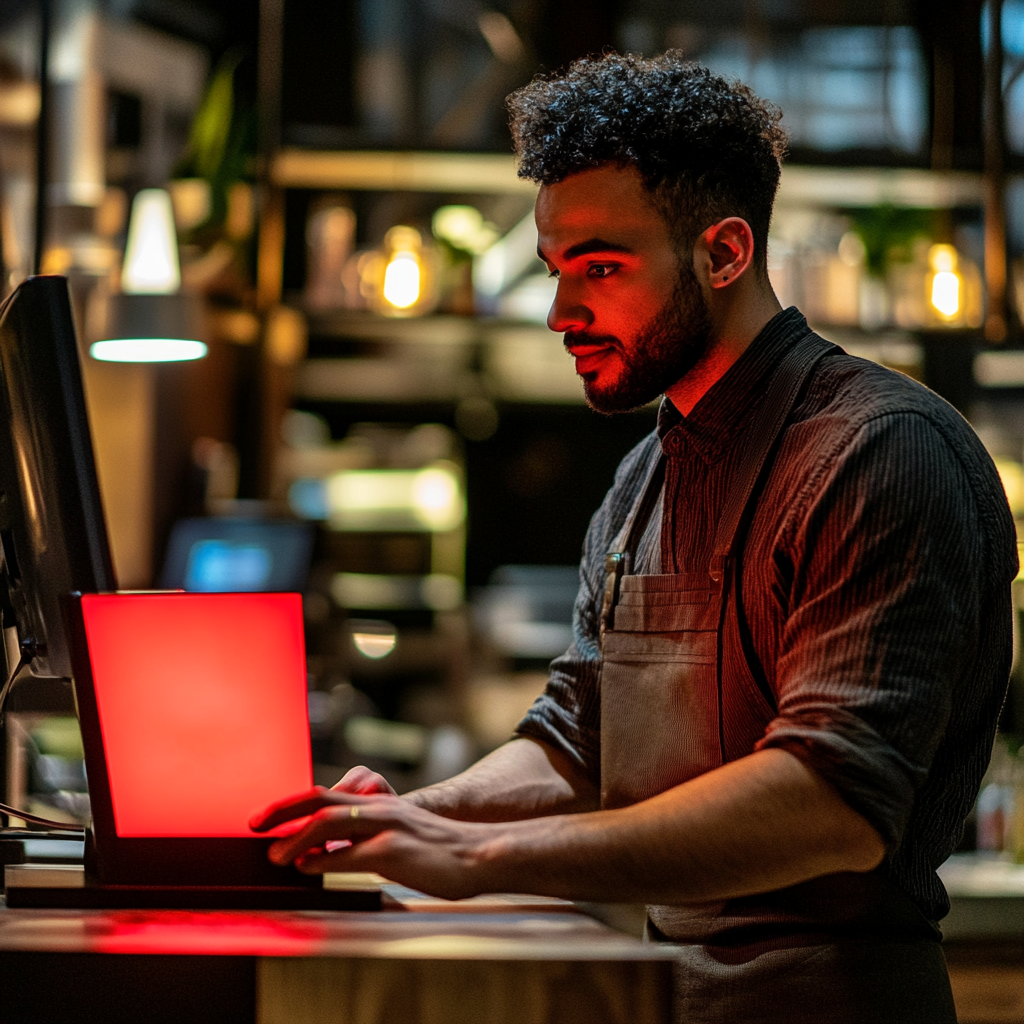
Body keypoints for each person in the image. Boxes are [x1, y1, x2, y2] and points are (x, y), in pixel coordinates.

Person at [252, 53, 1017, 1022]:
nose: (563, 313)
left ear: (725, 252)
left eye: (602, 266)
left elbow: (831, 805)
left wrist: (470, 857)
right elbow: (581, 738)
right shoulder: (645, 475)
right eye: (558, 269)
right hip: (662, 991)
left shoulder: (878, 454)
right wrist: (418, 811)